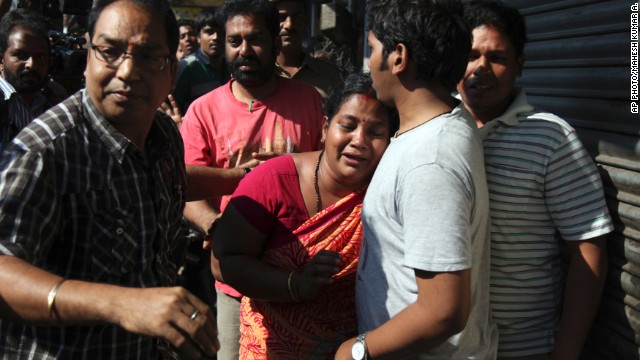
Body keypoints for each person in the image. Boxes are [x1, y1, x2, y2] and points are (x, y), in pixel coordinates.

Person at [0, 0, 219, 358]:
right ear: (88, 55)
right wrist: (119, 303)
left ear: (172, 70)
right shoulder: (45, 151)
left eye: (149, 56)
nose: (128, 71)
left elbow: (178, 187)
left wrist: (241, 180)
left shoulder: (164, 135)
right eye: (110, 51)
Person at [335, 0, 499, 359]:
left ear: (398, 58)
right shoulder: (437, 125)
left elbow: (442, 311)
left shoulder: (430, 160)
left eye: (373, 49)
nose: (368, 62)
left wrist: (357, 351)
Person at [457, 1, 614, 359]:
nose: (481, 68)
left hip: (523, 348)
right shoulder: (435, 130)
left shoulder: (551, 139)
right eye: (470, 55)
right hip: (446, 347)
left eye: (496, 57)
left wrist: (566, 353)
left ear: (520, 65)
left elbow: (589, 251)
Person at [212, 72, 399, 359]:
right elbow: (224, 261)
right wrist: (295, 285)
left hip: (349, 350)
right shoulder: (272, 180)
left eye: (375, 133)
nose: (359, 141)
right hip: (269, 346)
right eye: (347, 126)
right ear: (325, 128)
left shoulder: (387, 191)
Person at [179, 0, 325, 358]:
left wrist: (288, 170)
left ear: (276, 41)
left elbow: (330, 171)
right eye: (235, 40)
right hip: (234, 279)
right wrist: (212, 223)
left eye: (256, 39)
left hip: (303, 271)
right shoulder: (203, 110)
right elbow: (185, 189)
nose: (245, 50)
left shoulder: (309, 100)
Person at [0, 8, 53, 152]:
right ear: (1, 59)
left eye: (40, 57)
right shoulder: (4, 100)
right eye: (20, 55)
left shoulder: (51, 102)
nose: (31, 64)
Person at [271, 0, 342, 98]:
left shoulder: (332, 76)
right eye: (281, 18)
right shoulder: (258, 74)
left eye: (297, 17)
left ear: (306, 21)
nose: (289, 25)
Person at [172, 7, 228, 114]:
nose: (215, 37)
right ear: (198, 37)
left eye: (220, 32)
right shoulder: (186, 68)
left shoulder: (232, 66)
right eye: (209, 32)